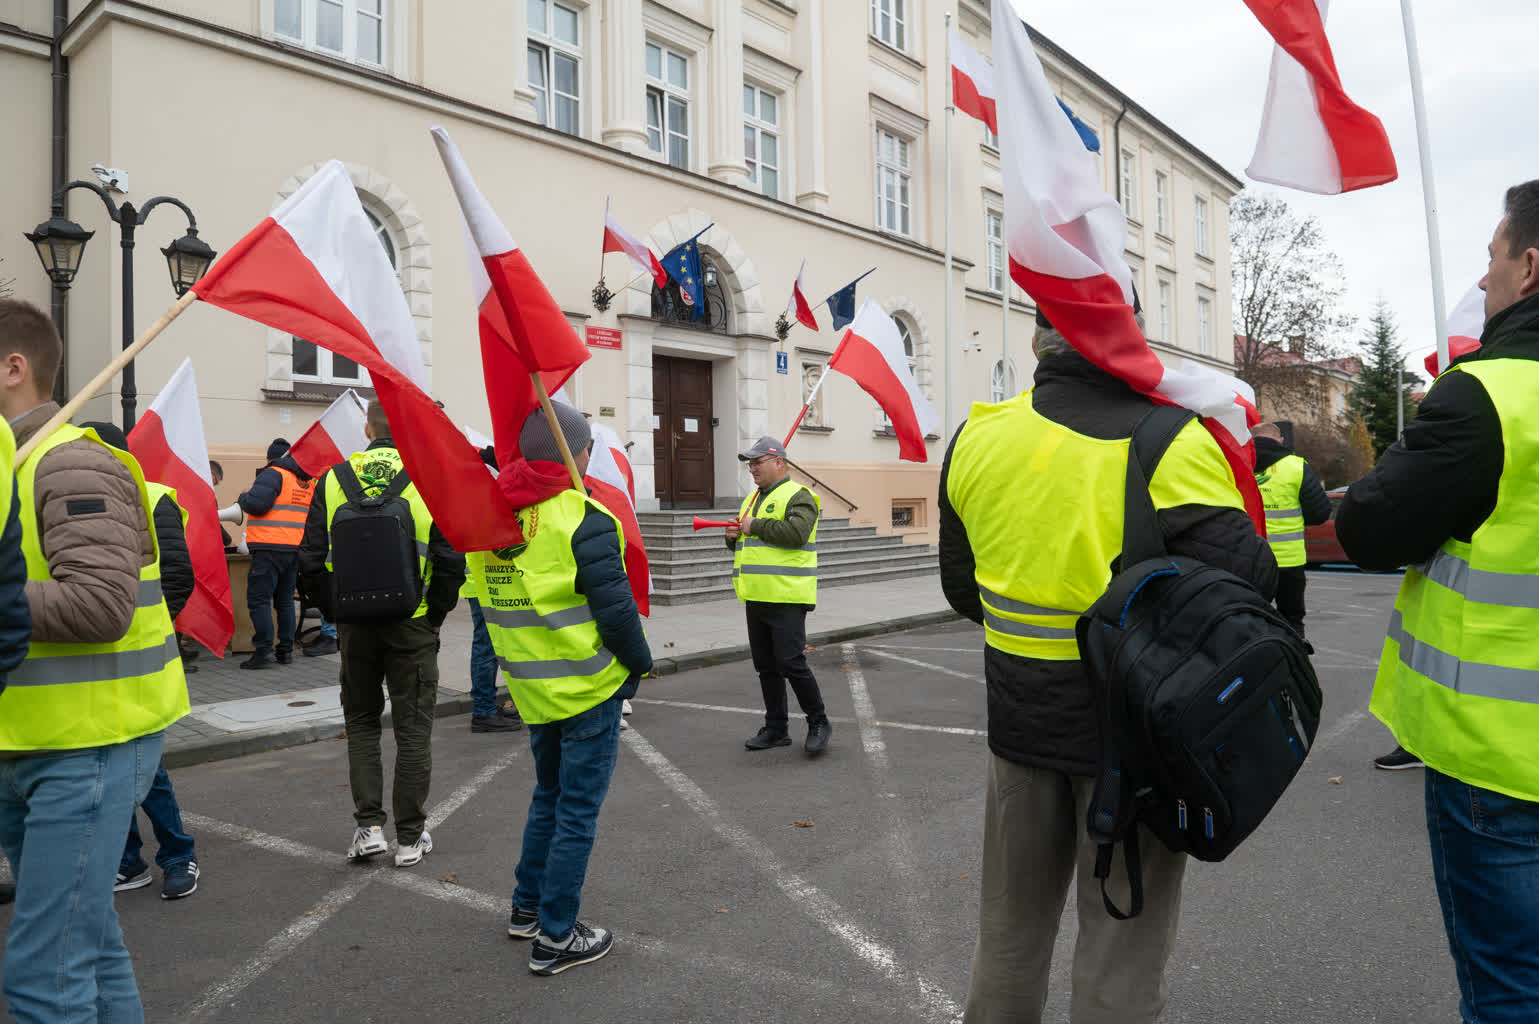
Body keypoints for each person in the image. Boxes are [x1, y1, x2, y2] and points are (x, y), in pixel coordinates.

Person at [940, 312, 1277, 1023]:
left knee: (1009, 934)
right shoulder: (1169, 439)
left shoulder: (976, 435)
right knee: (1122, 942)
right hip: (1136, 740)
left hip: (1019, 728)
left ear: (1036, 341)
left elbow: (961, 589)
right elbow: (1246, 583)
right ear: (1129, 335)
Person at [1337, 181, 1539, 1023]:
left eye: (1492, 257)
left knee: (1511, 990)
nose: (1483, 277)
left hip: (1503, 759)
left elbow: (1370, 529)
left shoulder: (1490, 394)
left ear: (1529, 267)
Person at [0, 298, 187, 1022]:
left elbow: (101, 604)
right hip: (34, 741)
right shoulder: (16, 464)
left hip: (87, 745)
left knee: (44, 976)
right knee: (89, 945)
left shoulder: (72, 460)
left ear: (14, 368)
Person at [480, 404, 650, 976]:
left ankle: (527, 909)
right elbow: (618, 613)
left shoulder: (490, 519)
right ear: (577, 454)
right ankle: (556, 938)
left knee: (549, 797)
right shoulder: (584, 516)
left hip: (531, 688)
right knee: (576, 811)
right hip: (588, 687)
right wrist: (640, 666)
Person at [298, 400, 464, 867]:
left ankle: (369, 828)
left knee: (361, 722)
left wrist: (338, 613)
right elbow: (450, 559)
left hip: (355, 625)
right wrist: (436, 614)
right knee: (413, 728)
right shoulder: (429, 478)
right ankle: (410, 839)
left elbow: (309, 561)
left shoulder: (333, 479)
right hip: (413, 622)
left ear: (367, 428)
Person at [82, 422, 203, 902]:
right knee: (110, 765)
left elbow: (178, 575)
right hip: (96, 658)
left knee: (143, 767)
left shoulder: (152, 498)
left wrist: (148, 627)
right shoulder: (77, 498)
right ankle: (129, 861)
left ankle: (177, 855)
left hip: (142, 660)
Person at [725, 436, 831, 755]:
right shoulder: (750, 500)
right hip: (757, 594)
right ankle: (775, 728)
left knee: (791, 663)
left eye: (758, 462)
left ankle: (819, 722)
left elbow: (797, 534)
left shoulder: (800, 496)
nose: (752, 469)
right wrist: (732, 537)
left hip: (787, 595)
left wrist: (754, 525)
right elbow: (746, 545)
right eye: (750, 464)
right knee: (766, 667)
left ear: (779, 462)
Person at [236, 437, 315, 669]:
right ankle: (285, 651)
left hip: (269, 547)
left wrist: (243, 497)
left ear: (271, 459)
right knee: (285, 601)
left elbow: (257, 505)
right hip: (293, 548)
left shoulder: (273, 473)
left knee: (259, 599)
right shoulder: (306, 481)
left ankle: (263, 652)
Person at [1251, 421, 1332, 636]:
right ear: (1280, 440)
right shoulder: (1296, 466)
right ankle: (1294, 653)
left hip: (1251, 558)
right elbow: (1320, 512)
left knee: (1253, 618)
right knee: (1292, 619)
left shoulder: (1238, 463)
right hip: (1289, 560)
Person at [464, 445, 522, 734]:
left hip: (483, 582)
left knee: (490, 645)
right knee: (487, 646)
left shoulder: (474, 492)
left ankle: (487, 706)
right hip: (485, 583)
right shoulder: (487, 497)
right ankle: (483, 710)